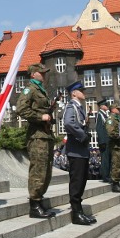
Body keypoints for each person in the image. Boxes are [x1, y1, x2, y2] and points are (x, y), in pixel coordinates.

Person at [16, 63, 56, 218]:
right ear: (33, 74)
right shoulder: (30, 89)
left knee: (46, 170)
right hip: (36, 136)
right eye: (41, 73)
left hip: (45, 135)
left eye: (45, 72)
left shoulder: (41, 90)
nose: (44, 75)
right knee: (38, 170)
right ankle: (34, 204)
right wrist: (41, 117)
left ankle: (39, 200)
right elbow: (21, 109)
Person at [63, 80, 96, 226]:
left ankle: (79, 210)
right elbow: (69, 123)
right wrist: (82, 135)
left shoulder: (79, 108)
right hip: (76, 149)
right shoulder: (71, 106)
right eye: (81, 90)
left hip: (81, 150)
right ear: (74, 93)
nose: (84, 93)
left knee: (82, 180)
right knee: (77, 181)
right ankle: (76, 213)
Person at [106, 104, 120, 193]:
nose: (119, 110)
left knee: (119, 164)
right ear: (113, 109)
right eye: (118, 109)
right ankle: (115, 184)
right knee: (116, 164)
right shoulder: (111, 119)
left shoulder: (117, 118)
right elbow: (110, 132)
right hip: (115, 145)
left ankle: (117, 182)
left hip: (119, 145)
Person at [95, 100, 111, 183]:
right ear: (101, 106)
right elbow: (99, 128)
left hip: (108, 140)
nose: (107, 106)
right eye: (105, 105)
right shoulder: (99, 115)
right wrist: (101, 141)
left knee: (108, 158)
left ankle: (108, 175)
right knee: (105, 159)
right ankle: (105, 176)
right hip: (104, 141)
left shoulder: (105, 115)